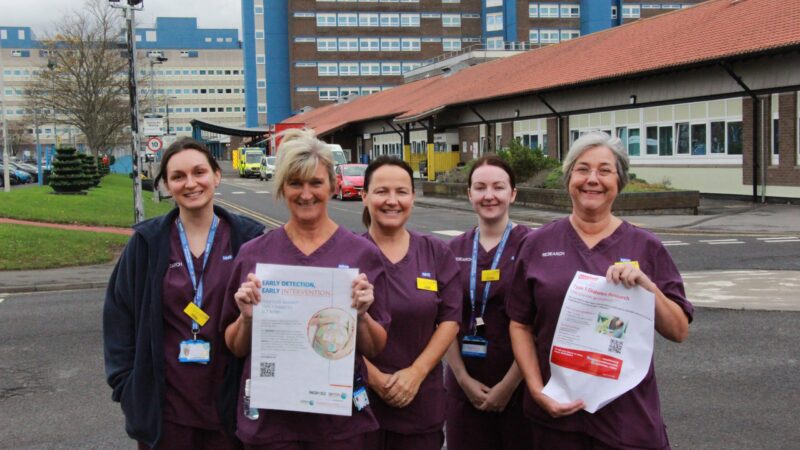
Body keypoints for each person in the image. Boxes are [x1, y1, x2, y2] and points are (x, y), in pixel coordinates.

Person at [507, 131, 693, 450]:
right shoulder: (537, 244)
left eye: (604, 170)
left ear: (619, 181)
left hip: (626, 418)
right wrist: (537, 390)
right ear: (568, 179)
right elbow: (520, 324)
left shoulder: (647, 247)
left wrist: (648, 287)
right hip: (556, 415)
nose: (592, 179)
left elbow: (678, 331)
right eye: (582, 169)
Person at [221, 128, 391, 450]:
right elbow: (235, 346)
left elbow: (375, 347)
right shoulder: (254, 254)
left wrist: (363, 315)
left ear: (331, 184)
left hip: (337, 425)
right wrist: (246, 318)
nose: (306, 194)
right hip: (272, 424)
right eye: (295, 183)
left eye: (315, 183)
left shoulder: (362, 254)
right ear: (282, 187)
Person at [103, 138, 265, 449]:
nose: (190, 183)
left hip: (230, 409)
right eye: (178, 176)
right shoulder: (147, 243)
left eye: (199, 172)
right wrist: (126, 385)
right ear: (165, 184)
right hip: (167, 413)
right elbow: (118, 314)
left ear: (216, 176)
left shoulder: (248, 240)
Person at [360, 157, 461, 450]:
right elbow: (332, 327)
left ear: (413, 198)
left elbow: (450, 320)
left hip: (420, 403)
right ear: (364, 196)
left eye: (402, 192)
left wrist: (416, 374)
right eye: (381, 191)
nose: (392, 201)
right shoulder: (349, 254)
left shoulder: (436, 253)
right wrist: (376, 379)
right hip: (362, 402)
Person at [444, 155, 532, 450]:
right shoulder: (451, 249)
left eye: (498, 187)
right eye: (480, 187)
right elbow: (445, 319)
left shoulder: (532, 246)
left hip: (520, 387)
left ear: (513, 193)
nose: (489, 195)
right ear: (469, 194)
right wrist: (462, 379)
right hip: (463, 387)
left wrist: (508, 386)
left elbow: (537, 322)